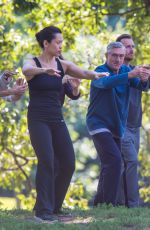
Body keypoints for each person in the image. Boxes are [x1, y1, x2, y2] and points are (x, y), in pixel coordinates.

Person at [22, 25, 108, 222]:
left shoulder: (63, 65)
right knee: (47, 161)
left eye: (61, 42)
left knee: (68, 163)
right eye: (58, 42)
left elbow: (84, 73)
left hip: (56, 119)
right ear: (46, 43)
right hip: (37, 119)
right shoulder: (33, 63)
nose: (61, 46)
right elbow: (26, 70)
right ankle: (43, 211)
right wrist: (45, 70)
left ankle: (55, 206)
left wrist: (97, 75)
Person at [86, 42, 150, 206]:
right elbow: (106, 83)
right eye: (114, 55)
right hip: (98, 124)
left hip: (116, 126)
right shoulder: (100, 71)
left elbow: (141, 87)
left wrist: (144, 79)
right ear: (107, 55)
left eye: (121, 56)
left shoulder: (125, 71)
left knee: (109, 164)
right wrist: (130, 75)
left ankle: (99, 204)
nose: (118, 59)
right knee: (115, 161)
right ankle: (109, 204)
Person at [116, 34, 150, 208]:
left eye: (132, 46)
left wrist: (145, 77)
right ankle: (132, 205)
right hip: (120, 126)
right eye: (127, 46)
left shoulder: (138, 70)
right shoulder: (114, 71)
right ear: (118, 50)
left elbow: (144, 86)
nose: (131, 49)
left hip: (135, 126)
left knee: (124, 164)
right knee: (130, 162)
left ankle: (121, 204)